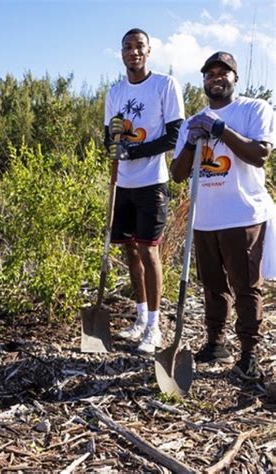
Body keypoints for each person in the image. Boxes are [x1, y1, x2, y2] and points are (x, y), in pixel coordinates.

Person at [171, 52, 274, 380]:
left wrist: (219, 129)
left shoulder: (254, 108)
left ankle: (249, 353)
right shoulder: (192, 121)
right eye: (209, 73)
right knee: (213, 286)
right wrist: (191, 141)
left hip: (242, 216)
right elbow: (177, 174)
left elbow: (260, 155)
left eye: (223, 72)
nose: (216, 77)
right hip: (205, 219)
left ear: (235, 78)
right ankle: (215, 343)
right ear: (203, 80)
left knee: (246, 287)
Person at [104, 28, 185, 353]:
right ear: (121, 52)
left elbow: (175, 135)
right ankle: (139, 317)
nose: (133, 52)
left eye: (139, 46)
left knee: (149, 251)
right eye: (128, 47)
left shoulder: (165, 85)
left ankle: (154, 326)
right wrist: (113, 144)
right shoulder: (115, 92)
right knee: (129, 250)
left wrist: (133, 152)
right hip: (122, 184)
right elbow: (108, 137)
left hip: (152, 182)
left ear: (149, 51)